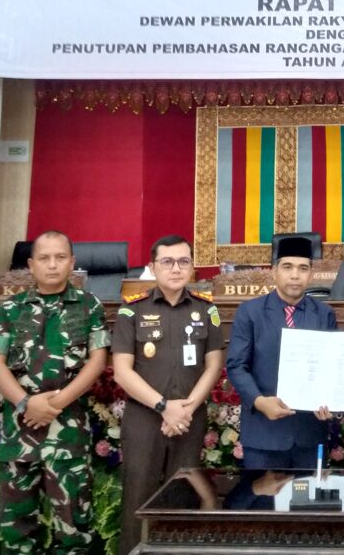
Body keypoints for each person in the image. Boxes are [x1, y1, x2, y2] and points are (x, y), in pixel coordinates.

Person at [0, 230, 110, 554]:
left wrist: (55, 403)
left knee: (74, 529)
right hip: (19, 432)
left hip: (68, 435)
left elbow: (97, 362)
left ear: (72, 262)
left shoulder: (88, 305)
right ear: (30, 264)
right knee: (17, 532)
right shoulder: (12, 308)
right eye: (44, 258)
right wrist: (26, 403)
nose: (52, 264)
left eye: (60, 257)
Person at [112, 234, 225, 554]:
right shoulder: (131, 311)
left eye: (183, 261)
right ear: (152, 267)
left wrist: (185, 409)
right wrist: (164, 407)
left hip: (189, 418)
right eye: (167, 262)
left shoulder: (207, 310)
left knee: (185, 496)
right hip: (145, 418)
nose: (176, 268)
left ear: (192, 267)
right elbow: (122, 372)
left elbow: (213, 365)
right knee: (138, 498)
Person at [225, 234, 337, 468]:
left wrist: (330, 400)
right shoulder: (250, 312)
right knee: (262, 492)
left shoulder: (324, 314)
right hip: (264, 433)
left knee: (309, 493)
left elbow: (331, 366)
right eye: (287, 267)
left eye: (303, 268)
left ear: (311, 275)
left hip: (309, 433)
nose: (295, 275)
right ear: (274, 272)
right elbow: (236, 366)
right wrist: (259, 401)